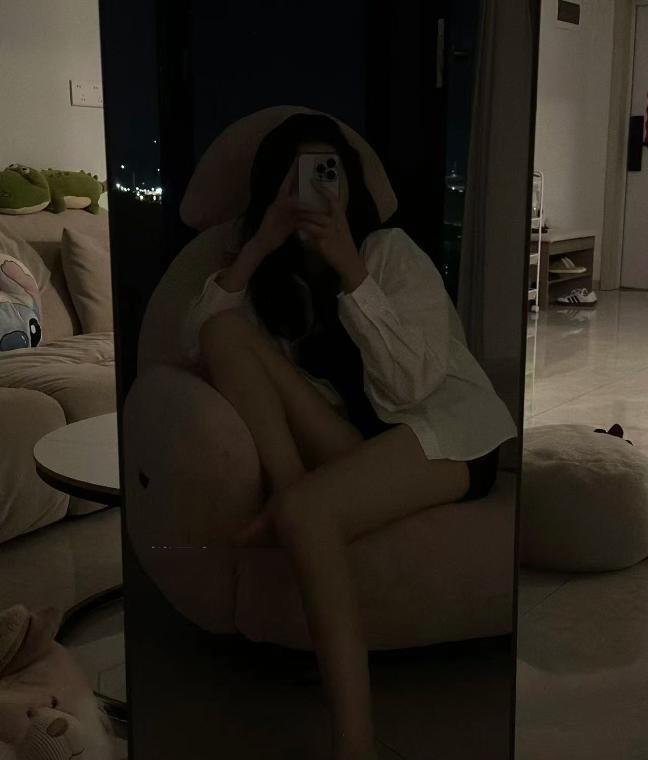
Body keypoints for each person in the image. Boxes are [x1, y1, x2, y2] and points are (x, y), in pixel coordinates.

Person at [181, 113, 517, 760]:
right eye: (296, 179)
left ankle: (354, 745)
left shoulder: (390, 251)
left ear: (350, 185)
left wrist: (349, 268)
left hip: (446, 432)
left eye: (326, 174)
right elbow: (198, 342)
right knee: (224, 331)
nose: (314, 191)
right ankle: (291, 495)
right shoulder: (275, 278)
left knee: (310, 514)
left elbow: (412, 386)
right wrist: (260, 244)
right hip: (363, 441)